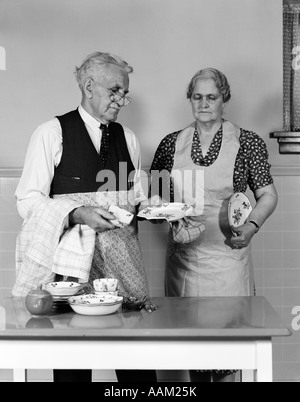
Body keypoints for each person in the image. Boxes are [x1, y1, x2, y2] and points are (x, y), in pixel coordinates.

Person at [13, 51, 157, 383]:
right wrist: (78, 213)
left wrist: (156, 209)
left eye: (125, 93)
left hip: (124, 275)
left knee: (140, 377)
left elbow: (137, 199)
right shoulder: (51, 133)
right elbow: (27, 201)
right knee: (72, 375)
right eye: (115, 90)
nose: (121, 99)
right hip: (71, 276)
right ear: (89, 86)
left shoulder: (129, 139)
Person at [149, 67, 278, 382]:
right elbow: (153, 196)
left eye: (211, 97)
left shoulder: (247, 143)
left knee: (225, 348)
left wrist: (251, 227)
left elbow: (268, 195)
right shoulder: (170, 144)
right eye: (197, 97)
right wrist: (171, 216)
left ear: (225, 100)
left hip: (227, 259)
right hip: (184, 260)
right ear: (189, 100)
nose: (203, 103)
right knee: (190, 346)